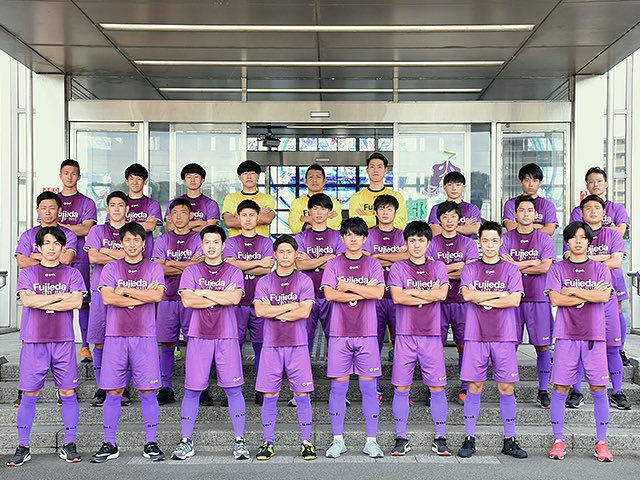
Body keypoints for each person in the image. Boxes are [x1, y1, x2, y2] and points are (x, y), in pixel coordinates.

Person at [7, 227, 85, 467]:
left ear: (62, 247)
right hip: (34, 341)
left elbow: (76, 301)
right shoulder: (28, 273)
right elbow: (27, 300)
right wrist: (60, 298)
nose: (51, 248)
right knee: (29, 394)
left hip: (63, 341)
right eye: (47, 243)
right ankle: (23, 446)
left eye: (56, 243)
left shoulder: (72, 273)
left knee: (68, 393)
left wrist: (42, 300)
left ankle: (69, 444)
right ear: (39, 248)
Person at [170, 226, 249, 461]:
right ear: (201, 245)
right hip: (199, 335)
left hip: (226, 335)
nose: (211, 246)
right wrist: (219, 296)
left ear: (223, 245)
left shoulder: (234, 271)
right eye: (207, 242)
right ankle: (186, 441)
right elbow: (188, 300)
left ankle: (240, 440)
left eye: (216, 242)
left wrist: (202, 292)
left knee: (233, 389)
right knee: (192, 389)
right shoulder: (191, 270)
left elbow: (234, 298)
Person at [89, 222, 166, 463]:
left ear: (144, 243)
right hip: (116, 336)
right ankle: (109, 443)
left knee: (147, 391)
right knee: (113, 391)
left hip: (144, 336)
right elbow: (108, 298)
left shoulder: (153, 267)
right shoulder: (111, 268)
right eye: (128, 240)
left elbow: (157, 295)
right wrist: (140, 295)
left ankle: (151, 442)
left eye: (137, 240)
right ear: (121, 243)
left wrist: (124, 291)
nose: (132, 244)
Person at [457, 221, 527, 459]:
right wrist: (499, 294)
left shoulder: (511, 269)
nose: (489, 245)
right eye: (485, 240)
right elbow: (468, 295)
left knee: (506, 387)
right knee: (474, 386)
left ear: (501, 242)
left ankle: (510, 439)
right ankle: (469, 438)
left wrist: (484, 297)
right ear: (479, 242)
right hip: (475, 335)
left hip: (504, 336)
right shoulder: (470, 268)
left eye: (494, 240)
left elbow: (514, 300)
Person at [546, 221, 614, 462]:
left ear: (589, 241)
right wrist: (588, 294)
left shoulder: (600, 269)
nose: (578, 241)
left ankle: (601, 442)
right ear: (567, 241)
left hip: (594, 336)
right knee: (560, 388)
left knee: (598, 388)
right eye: (574, 237)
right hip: (566, 335)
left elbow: (603, 296)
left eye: (583, 237)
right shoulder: (557, 269)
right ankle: (558, 440)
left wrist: (572, 291)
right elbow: (556, 299)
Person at [322, 217, 386, 459]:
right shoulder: (333, 264)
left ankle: (371, 441)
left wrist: (348, 286)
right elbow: (330, 295)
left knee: (369, 388)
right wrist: (363, 291)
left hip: (367, 333)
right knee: (338, 388)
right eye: (348, 234)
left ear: (364, 238)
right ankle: (338, 440)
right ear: (342, 238)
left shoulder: (373, 264)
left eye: (357, 235)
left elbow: (378, 293)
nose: (353, 239)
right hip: (339, 333)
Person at [387, 221, 451, 457]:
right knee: (401, 387)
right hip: (405, 334)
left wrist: (411, 292)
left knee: (437, 387)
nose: (416, 245)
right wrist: (428, 294)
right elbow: (398, 297)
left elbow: (442, 294)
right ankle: (401, 437)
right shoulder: (398, 268)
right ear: (406, 243)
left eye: (421, 240)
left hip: (431, 334)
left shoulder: (438, 266)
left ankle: (440, 437)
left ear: (428, 243)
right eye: (412, 240)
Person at [563, 195, 630, 410]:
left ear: (604, 212)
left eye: (597, 208)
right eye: (588, 208)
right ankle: (576, 391)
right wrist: (603, 259)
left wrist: (586, 259)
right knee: (578, 347)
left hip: (607, 298)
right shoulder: (574, 234)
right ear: (581, 212)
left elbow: (616, 261)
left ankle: (617, 392)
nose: (592, 211)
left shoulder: (613, 234)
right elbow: (570, 257)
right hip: (579, 299)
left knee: (612, 347)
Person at [253, 235, 316, 461]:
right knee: (270, 394)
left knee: (301, 394)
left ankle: (306, 442)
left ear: (296, 254)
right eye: (281, 251)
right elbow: (260, 311)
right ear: (275, 255)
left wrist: (275, 310)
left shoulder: (304, 280)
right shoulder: (264, 281)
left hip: (297, 344)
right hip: (271, 344)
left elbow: (304, 312)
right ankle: (268, 442)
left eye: (289, 251)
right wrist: (291, 306)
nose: (286, 255)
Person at [569, 167, 631, 366]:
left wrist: (590, 257)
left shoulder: (617, 208)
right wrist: (603, 255)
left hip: (612, 274)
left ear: (606, 184)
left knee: (617, 308)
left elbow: (619, 233)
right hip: (584, 275)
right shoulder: (578, 210)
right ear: (586, 185)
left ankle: (619, 348)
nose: (595, 184)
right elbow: (573, 242)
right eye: (591, 181)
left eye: (599, 181)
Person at [499, 196, 555, 408]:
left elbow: (545, 267)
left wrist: (517, 264)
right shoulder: (505, 238)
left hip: (538, 297)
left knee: (542, 345)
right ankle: (509, 389)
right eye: (521, 210)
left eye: (529, 210)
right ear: (515, 214)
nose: (525, 214)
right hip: (511, 298)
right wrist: (532, 261)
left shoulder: (544, 239)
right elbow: (504, 267)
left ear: (535, 214)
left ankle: (543, 390)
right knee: (510, 344)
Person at [426, 201, 479, 404]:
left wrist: (442, 270)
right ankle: (434, 387)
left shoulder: (468, 243)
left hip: (461, 300)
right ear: (439, 220)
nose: (449, 220)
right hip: (436, 302)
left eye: (453, 216)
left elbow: (471, 271)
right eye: (445, 216)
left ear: (459, 219)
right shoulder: (431, 243)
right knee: (435, 345)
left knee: (464, 344)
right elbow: (429, 273)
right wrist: (459, 266)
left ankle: (465, 387)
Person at [152, 198, 204, 406]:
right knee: (166, 343)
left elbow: (200, 268)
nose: (179, 216)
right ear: (169, 217)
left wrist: (170, 262)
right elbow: (158, 268)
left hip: (192, 298)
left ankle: (199, 387)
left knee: (195, 342)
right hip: (167, 297)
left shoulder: (199, 239)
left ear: (191, 216)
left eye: (183, 212)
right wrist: (188, 265)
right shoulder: (162, 240)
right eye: (175, 213)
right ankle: (166, 388)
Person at [224, 199, 274, 405]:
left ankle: (262, 388)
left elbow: (267, 269)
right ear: (237, 218)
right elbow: (230, 265)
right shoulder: (231, 242)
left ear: (258, 218)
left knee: (261, 346)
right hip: (236, 303)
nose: (247, 219)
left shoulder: (266, 242)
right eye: (243, 215)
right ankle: (232, 388)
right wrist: (257, 263)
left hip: (259, 302)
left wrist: (242, 265)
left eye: (251, 215)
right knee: (233, 346)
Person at [85, 191, 129, 407]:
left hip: (127, 291)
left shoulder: (132, 231)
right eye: (113, 205)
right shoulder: (97, 230)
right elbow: (93, 256)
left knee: (124, 341)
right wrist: (120, 255)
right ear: (107, 208)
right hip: (100, 290)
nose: (117, 208)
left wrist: (106, 251)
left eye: (121, 205)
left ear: (127, 209)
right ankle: (102, 387)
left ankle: (124, 387)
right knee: (100, 340)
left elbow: (135, 257)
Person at [362, 194, 408, 401]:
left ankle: (402, 390)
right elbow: (365, 260)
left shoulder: (403, 235)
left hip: (399, 297)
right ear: (376, 212)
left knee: (402, 344)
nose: (385, 212)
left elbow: (408, 257)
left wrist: (379, 256)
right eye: (381, 208)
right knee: (374, 343)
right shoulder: (368, 234)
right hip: (375, 298)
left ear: (396, 212)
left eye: (389, 208)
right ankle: (375, 390)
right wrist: (395, 257)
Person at [56, 159, 97, 363]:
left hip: (80, 258)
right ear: (60, 175)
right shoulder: (52, 200)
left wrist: (60, 225)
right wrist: (73, 227)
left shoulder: (87, 202)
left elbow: (86, 229)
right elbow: (47, 226)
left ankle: (86, 346)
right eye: (66, 173)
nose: (70, 177)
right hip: (55, 259)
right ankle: (57, 341)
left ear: (79, 176)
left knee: (83, 302)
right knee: (56, 299)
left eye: (73, 173)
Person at [294, 193, 345, 356]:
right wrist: (328, 258)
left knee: (334, 337)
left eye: (323, 209)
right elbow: (301, 265)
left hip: (331, 293)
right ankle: (304, 371)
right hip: (306, 294)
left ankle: (335, 370)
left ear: (329, 212)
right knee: (304, 338)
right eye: (315, 208)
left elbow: (338, 267)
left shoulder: (338, 236)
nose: (319, 212)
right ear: (309, 211)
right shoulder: (301, 237)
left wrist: (311, 260)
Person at [16, 192, 78, 269]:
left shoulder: (68, 234)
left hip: (62, 276)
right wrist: (54, 258)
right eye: (43, 208)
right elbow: (22, 262)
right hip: (35, 276)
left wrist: (35, 256)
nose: (47, 212)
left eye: (52, 208)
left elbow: (65, 259)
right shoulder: (28, 235)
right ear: (38, 210)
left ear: (59, 210)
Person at [349, 153, 407, 229]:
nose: (375, 170)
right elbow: (355, 225)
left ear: (385, 170)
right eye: (372, 167)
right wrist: (381, 220)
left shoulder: (396, 196)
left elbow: (401, 223)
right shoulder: (356, 197)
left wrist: (367, 219)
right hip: (366, 237)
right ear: (367, 170)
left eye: (379, 167)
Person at [117, 163, 162, 258]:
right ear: (126, 181)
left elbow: (151, 226)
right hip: (122, 253)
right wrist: (144, 224)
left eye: (139, 179)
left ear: (145, 182)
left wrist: (124, 224)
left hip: (146, 254)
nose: (135, 182)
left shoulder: (153, 204)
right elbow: (114, 226)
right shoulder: (119, 203)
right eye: (131, 179)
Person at [222, 160, 275, 238]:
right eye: (245, 173)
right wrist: (259, 214)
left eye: (252, 173)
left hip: (261, 243)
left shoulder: (267, 198)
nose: (249, 177)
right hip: (236, 243)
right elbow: (229, 222)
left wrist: (238, 217)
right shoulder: (231, 198)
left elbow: (267, 219)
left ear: (258, 176)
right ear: (239, 177)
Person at [502, 163, 557, 236]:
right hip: (515, 243)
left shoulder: (548, 205)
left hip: (540, 243)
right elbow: (510, 227)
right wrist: (536, 227)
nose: (531, 184)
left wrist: (520, 227)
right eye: (527, 180)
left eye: (535, 180)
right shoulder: (511, 203)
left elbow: (549, 230)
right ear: (521, 182)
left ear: (540, 182)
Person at [288, 164, 342, 234]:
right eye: (311, 177)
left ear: (324, 181)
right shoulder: (297, 203)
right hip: (304, 240)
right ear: (305, 181)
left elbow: (333, 226)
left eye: (318, 177)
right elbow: (295, 227)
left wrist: (306, 219)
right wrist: (325, 218)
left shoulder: (334, 203)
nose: (314, 180)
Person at [165, 163, 220, 232]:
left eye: (196, 177)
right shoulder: (173, 203)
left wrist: (181, 227)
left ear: (202, 180)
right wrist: (200, 223)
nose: (192, 180)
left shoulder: (210, 204)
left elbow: (210, 229)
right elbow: (170, 228)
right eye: (189, 177)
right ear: (184, 181)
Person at [428, 172, 481, 237]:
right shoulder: (436, 208)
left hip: (466, 243)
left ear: (464, 187)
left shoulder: (472, 208)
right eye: (450, 185)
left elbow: (475, 229)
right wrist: (464, 227)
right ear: (444, 187)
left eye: (458, 185)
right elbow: (436, 232)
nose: (454, 188)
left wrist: (446, 227)